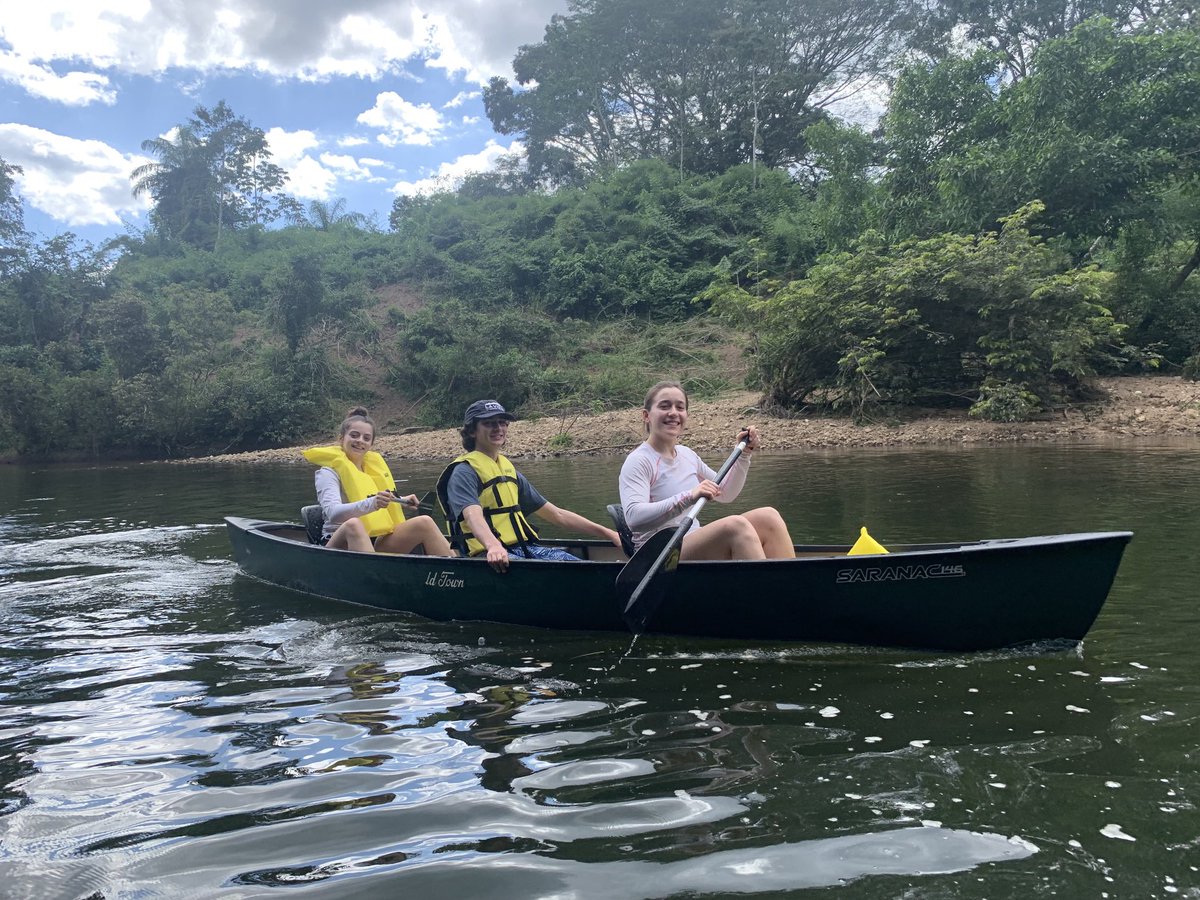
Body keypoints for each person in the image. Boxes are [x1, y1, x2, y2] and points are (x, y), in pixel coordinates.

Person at [436, 399, 622, 571]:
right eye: (489, 423)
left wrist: (608, 533)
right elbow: (472, 515)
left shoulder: (508, 471)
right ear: (471, 431)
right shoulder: (463, 471)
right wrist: (493, 546)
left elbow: (556, 515)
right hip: (487, 555)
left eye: (502, 422)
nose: (498, 428)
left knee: (578, 566)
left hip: (522, 548)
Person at [619, 381, 796, 560]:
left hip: (689, 541)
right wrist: (689, 497)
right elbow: (634, 519)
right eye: (664, 406)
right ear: (646, 415)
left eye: (680, 407)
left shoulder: (687, 455)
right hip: (657, 554)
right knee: (735, 526)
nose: (673, 413)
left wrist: (744, 455)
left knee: (769, 517)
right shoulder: (639, 460)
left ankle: (793, 584)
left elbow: (725, 493)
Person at [303, 407, 454, 556]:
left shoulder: (371, 470)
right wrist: (373, 503)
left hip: (373, 540)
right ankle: (376, 577)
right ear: (341, 438)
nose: (360, 441)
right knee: (354, 524)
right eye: (354, 435)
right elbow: (334, 513)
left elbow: (371, 498)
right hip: (338, 542)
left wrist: (400, 500)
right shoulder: (328, 473)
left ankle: (459, 571)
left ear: (371, 444)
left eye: (366, 438)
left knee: (424, 522)